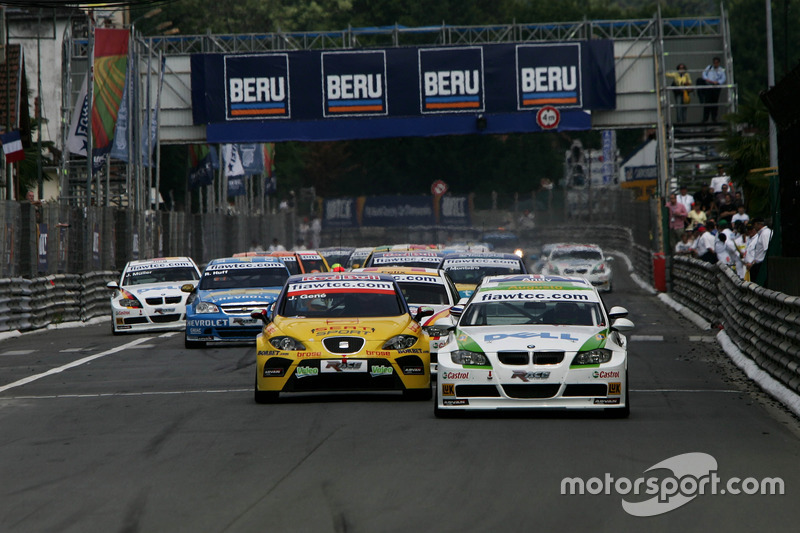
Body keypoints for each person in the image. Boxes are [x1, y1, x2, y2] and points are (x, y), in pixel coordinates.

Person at [696, 56, 726, 123]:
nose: (715, 64)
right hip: (708, 86)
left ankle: (714, 118)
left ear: (719, 63)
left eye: (717, 63)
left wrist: (717, 82)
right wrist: (708, 80)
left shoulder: (721, 70)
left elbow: (723, 78)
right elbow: (704, 74)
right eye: (714, 62)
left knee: (714, 103)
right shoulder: (709, 67)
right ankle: (705, 118)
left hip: (716, 88)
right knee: (707, 103)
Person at [745, 217, 772, 285]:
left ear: (758, 224)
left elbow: (766, 249)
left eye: (754, 225)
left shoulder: (765, 233)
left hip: (761, 265)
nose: (754, 227)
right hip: (757, 264)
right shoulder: (762, 233)